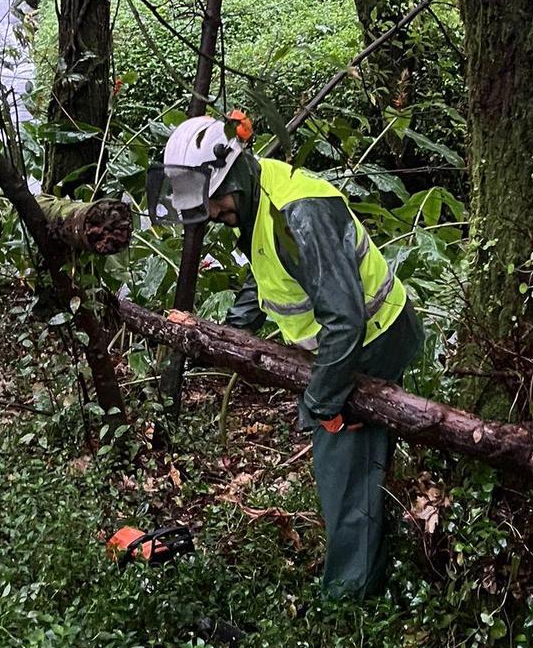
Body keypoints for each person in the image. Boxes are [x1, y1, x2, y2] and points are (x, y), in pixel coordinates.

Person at [149, 113, 423, 599]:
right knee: (345, 452)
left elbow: (345, 320)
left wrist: (321, 401)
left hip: (374, 339)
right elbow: (268, 269)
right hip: (348, 341)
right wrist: (233, 333)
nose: (211, 212)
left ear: (232, 172)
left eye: (213, 200)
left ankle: (350, 599)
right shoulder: (258, 198)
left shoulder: (300, 215)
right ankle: (376, 556)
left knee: (345, 465)